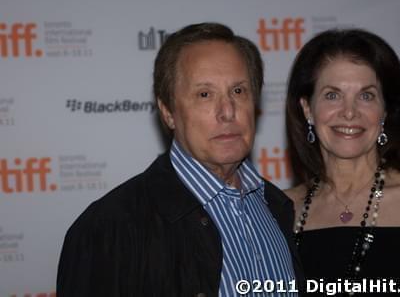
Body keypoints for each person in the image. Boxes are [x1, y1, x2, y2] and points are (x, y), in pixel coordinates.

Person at [57, 22, 301, 296]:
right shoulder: (107, 229)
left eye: (238, 91)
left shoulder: (278, 207)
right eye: (205, 94)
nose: (227, 111)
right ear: (168, 112)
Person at [284, 28, 400, 295]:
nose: (349, 112)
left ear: (385, 110)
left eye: (366, 96)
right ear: (307, 108)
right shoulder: (278, 213)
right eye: (332, 95)